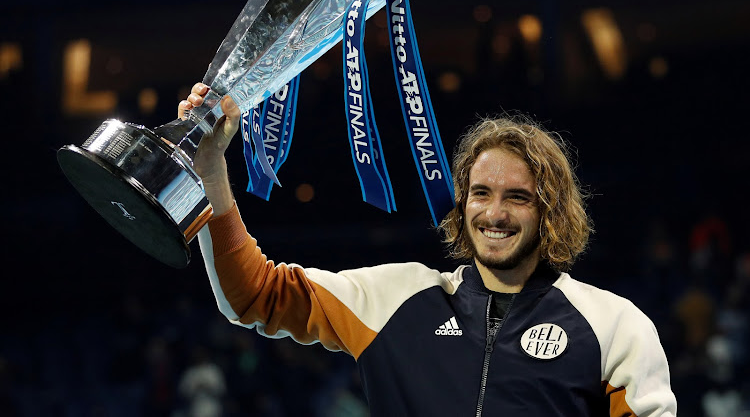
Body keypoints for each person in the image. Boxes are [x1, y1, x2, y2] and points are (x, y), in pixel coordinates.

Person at [179, 82, 677, 416]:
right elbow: (254, 293)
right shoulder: (396, 297)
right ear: (461, 205)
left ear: (551, 212)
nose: (494, 213)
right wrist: (209, 170)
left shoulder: (614, 326)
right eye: (480, 193)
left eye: (518, 197)